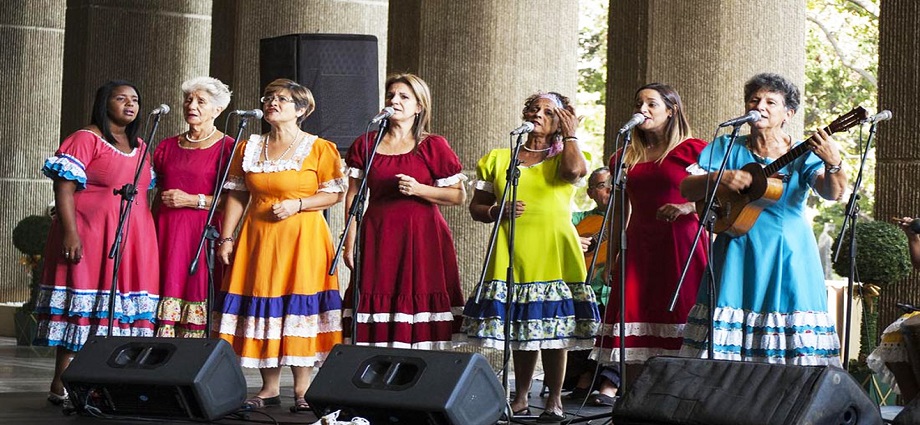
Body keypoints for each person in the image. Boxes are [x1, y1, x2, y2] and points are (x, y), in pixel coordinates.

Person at [679, 73, 846, 365]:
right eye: (755, 100)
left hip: (787, 252)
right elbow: (686, 188)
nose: (761, 105)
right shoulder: (727, 146)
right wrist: (720, 177)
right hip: (736, 248)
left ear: (788, 114)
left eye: (771, 101)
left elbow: (832, 192)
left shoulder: (802, 153)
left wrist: (834, 162)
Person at [461, 92, 600, 422]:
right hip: (512, 246)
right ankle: (520, 396)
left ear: (559, 120)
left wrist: (570, 135)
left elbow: (573, 173)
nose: (537, 114)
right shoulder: (497, 158)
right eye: (533, 108)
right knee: (522, 324)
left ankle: (554, 398)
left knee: (554, 326)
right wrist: (497, 209)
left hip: (554, 247)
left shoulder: (566, 154)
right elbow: (476, 209)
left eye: (547, 111)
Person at [215, 78, 345, 411]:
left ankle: (302, 389)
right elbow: (237, 194)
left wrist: (298, 204)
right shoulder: (248, 147)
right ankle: (269, 387)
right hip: (258, 237)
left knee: (298, 305)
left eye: (282, 99)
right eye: (269, 97)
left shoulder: (319, 148)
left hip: (304, 238)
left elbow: (335, 192)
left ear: (301, 110)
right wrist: (227, 237)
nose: (273, 102)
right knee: (265, 302)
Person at [36, 80, 160, 405]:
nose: (130, 105)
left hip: (133, 237)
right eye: (121, 98)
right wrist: (69, 232)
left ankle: (110, 382)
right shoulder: (85, 138)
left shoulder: (141, 145)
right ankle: (61, 383)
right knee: (85, 307)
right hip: (91, 234)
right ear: (105, 103)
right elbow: (63, 189)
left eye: (135, 99)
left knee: (120, 314)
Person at [588, 83, 709, 406]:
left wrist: (686, 207)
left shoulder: (694, 150)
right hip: (639, 247)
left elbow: (715, 200)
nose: (642, 108)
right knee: (636, 329)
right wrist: (611, 254)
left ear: (671, 110)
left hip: (681, 245)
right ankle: (639, 405)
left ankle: (682, 404)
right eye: (638, 102)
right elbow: (618, 211)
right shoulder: (624, 155)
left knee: (682, 322)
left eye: (652, 104)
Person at [342, 73, 467, 349]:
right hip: (378, 233)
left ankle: (418, 375)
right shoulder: (366, 144)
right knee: (375, 293)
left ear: (419, 107)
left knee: (418, 294)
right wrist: (349, 241)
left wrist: (420, 189)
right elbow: (353, 196)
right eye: (391, 95)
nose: (394, 100)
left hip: (423, 235)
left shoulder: (433, 145)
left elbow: (458, 195)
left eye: (403, 96)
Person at [153, 76, 233, 338]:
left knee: (197, 293)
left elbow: (236, 201)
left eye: (201, 101)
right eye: (188, 100)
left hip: (203, 235)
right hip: (164, 234)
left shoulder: (229, 148)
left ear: (218, 110)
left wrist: (192, 199)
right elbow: (154, 194)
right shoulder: (166, 146)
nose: (192, 105)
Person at [565, 167, 617, 401]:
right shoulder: (580, 220)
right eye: (602, 185)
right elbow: (557, 229)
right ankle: (585, 376)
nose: (609, 189)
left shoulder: (629, 217)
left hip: (613, 293)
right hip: (585, 294)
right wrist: (573, 239)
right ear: (590, 193)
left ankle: (606, 382)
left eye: (612, 184)